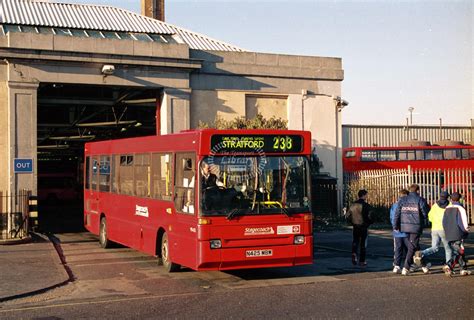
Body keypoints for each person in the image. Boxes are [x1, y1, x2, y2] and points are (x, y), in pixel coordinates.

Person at [393, 183, 429, 276]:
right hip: (415, 226)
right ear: (417, 190)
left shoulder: (403, 200)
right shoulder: (420, 200)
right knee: (412, 246)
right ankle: (406, 267)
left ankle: (424, 265)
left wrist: (395, 225)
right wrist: (423, 220)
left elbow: (397, 213)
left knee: (413, 245)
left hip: (404, 227)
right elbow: (425, 213)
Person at [413, 191, 452, 268]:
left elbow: (430, 217)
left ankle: (421, 253)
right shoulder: (450, 205)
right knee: (448, 249)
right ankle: (448, 265)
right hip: (445, 229)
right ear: (447, 197)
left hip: (434, 229)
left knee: (434, 248)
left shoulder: (435, 205)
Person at [442, 192, 471, 276]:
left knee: (459, 250)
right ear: (460, 199)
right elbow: (463, 222)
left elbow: (443, 222)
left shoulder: (447, 208)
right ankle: (449, 265)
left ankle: (463, 268)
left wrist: (446, 230)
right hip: (458, 232)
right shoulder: (460, 208)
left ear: (451, 199)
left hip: (448, 232)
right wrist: (466, 230)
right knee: (459, 252)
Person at [346, 189, 373, 267]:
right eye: (366, 195)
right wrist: (368, 223)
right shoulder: (367, 206)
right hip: (363, 226)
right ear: (364, 195)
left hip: (355, 226)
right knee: (363, 244)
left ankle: (354, 253)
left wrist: (352, 222)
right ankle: (362, 261)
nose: (367, 196)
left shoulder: (353, 205)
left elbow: (347, 215)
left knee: (355, 241)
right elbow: (371, 216)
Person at [390, 189, 409, 274]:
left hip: (397, 231)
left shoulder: (394, 205)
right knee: (409, 249)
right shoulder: (408, 205)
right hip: (407, 230)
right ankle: (408, 265)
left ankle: (396, 266)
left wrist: (394, 227)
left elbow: (391, 217)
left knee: (398, 249)